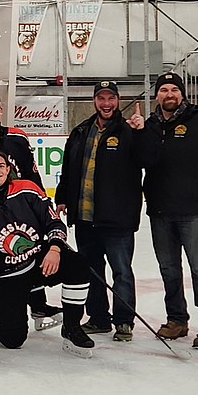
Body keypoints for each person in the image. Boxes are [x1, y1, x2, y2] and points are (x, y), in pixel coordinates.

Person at [0, 150, 94, 362]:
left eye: (1, 166)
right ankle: (2, 312)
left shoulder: (27, 189)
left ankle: (72, 327)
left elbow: (53, 222)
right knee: (12, 340)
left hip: (37, 262)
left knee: (78, 264)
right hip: (6, 275)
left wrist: (55, 248)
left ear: (8, 168)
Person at [136, 72, 198, 350]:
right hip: (159, 210)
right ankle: (177, 320)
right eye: (164, 90)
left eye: (174, 90)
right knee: (169, 269)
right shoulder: (151, 125)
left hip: (192, 210)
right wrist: (139, 133)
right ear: (157, 95)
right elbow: (143, 159)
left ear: (182, 94)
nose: (169, 94)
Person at [54, 80, 145, 342]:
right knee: (91, 270)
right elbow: (70, 169)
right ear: (95, 101)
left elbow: (146, 159)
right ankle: (99, 317)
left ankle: (124, 321)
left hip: (117, 219)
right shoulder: (81, 131)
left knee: (121, 271)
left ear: (117, 100)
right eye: (102, 98)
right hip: (84, 217)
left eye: (111, 99)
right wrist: (62, 197)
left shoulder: (128, 131)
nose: (106, 104)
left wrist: (140, 132)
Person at [0, 89, 61, 327]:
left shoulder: (18, 135)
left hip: (22, 200)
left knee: (30, 245)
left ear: (1, 109)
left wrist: (41, 196)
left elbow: (30, 169)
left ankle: (38, 305)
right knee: (1, 253)